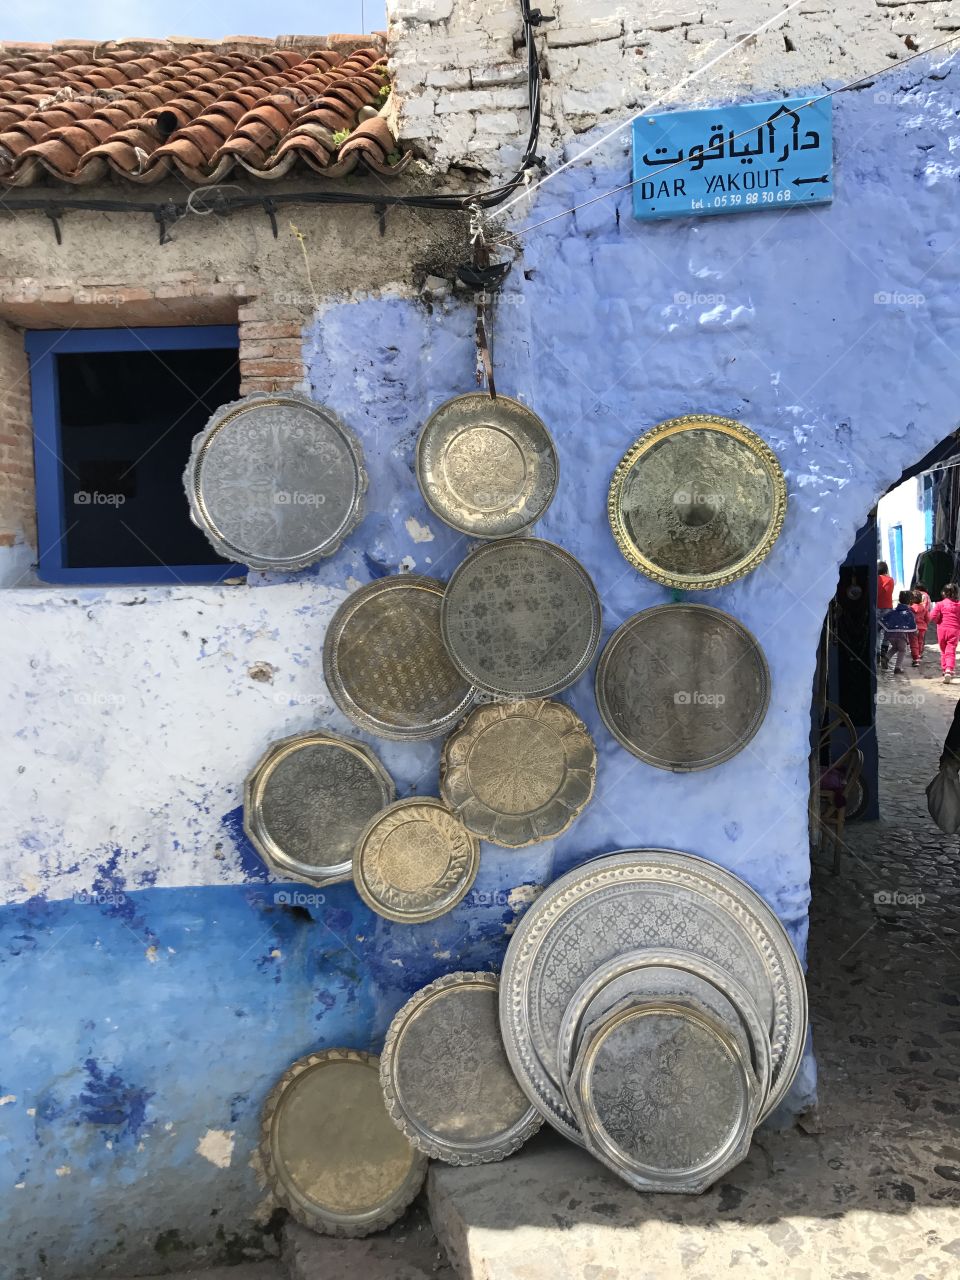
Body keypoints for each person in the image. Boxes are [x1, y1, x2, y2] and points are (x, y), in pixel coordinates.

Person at [879, 590, 918, 675]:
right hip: (901, 636)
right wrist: (915, 633)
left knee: (895, 647)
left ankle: (886, 658)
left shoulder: (893, 612)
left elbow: (884, 620)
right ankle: (898, 668)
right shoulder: (908, 613)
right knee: (902, 650)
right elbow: (912, 627)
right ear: (910, 601)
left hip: (890, 635)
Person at [929, 582, 960, 682]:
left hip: (942, 630)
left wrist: (938, 621)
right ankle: (949, 669)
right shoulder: (958, 605)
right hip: (954, 630)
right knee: (951, 650)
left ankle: (944, 669)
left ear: (944, 593)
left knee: (943, 650)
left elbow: (932, 616)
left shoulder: (940, 604)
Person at [877, 560, 895, 667]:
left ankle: (877, 653)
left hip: (877, 607)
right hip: (888, 608)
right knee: (887, 632)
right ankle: (884, 652)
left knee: (877, 631)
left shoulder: (875, 580)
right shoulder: (890, 580)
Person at [910, 588, 930, 668]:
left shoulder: (910, 609)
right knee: (920, 642)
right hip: (922, 628)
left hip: (913, 628)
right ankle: (919, 654)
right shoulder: (924, 609)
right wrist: (925, 624)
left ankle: (915, 659)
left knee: (914, 643)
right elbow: (928, 618)